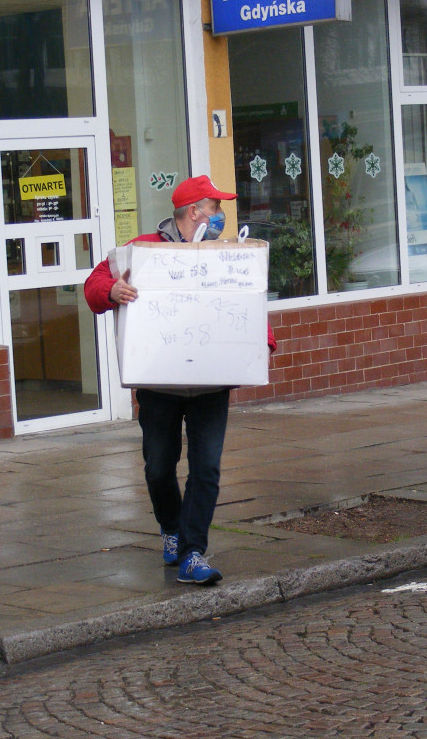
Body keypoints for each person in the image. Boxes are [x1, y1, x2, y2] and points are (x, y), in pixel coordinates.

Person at [84, 175, 277, 586]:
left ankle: (192, 553)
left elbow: (248, 300)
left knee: (206, 468)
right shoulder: (144, 250)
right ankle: (171, 529)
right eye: (216, 207)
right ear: (195, 212)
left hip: (210, 383)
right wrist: (113, 290)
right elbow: (94, 283)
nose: (222, 215)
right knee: (158, 467)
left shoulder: (226, 254)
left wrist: (261, 342)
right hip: (159, 385)